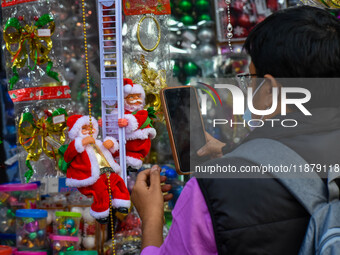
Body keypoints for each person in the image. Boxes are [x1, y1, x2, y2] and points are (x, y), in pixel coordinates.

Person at [131, 6, 340, 254]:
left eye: (249, 79)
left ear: (270, 89)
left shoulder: (210, 191)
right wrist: (239, 155)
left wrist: (151, 219)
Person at [64, 115, 131, 223]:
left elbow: (112, 151)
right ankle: (101, 212)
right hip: (93, 176)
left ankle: (121, 202)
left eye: (91, 127)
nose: (89, 131)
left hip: (107, 171)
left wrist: (111, 143)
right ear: (77, 132)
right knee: (101, 192)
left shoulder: (98, 143)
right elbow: (67, 156)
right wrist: (82, 142)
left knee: (118, 182)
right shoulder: (76, 145)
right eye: (84, 128)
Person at [115, 78, 156, 170]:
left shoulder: (142, 112)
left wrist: (128, 122)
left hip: (136, 148)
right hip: (121, 148)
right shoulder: (119, 112)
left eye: (138, 96)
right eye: (132, 97)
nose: (136, 99)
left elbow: (139, 120)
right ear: (124, 99)